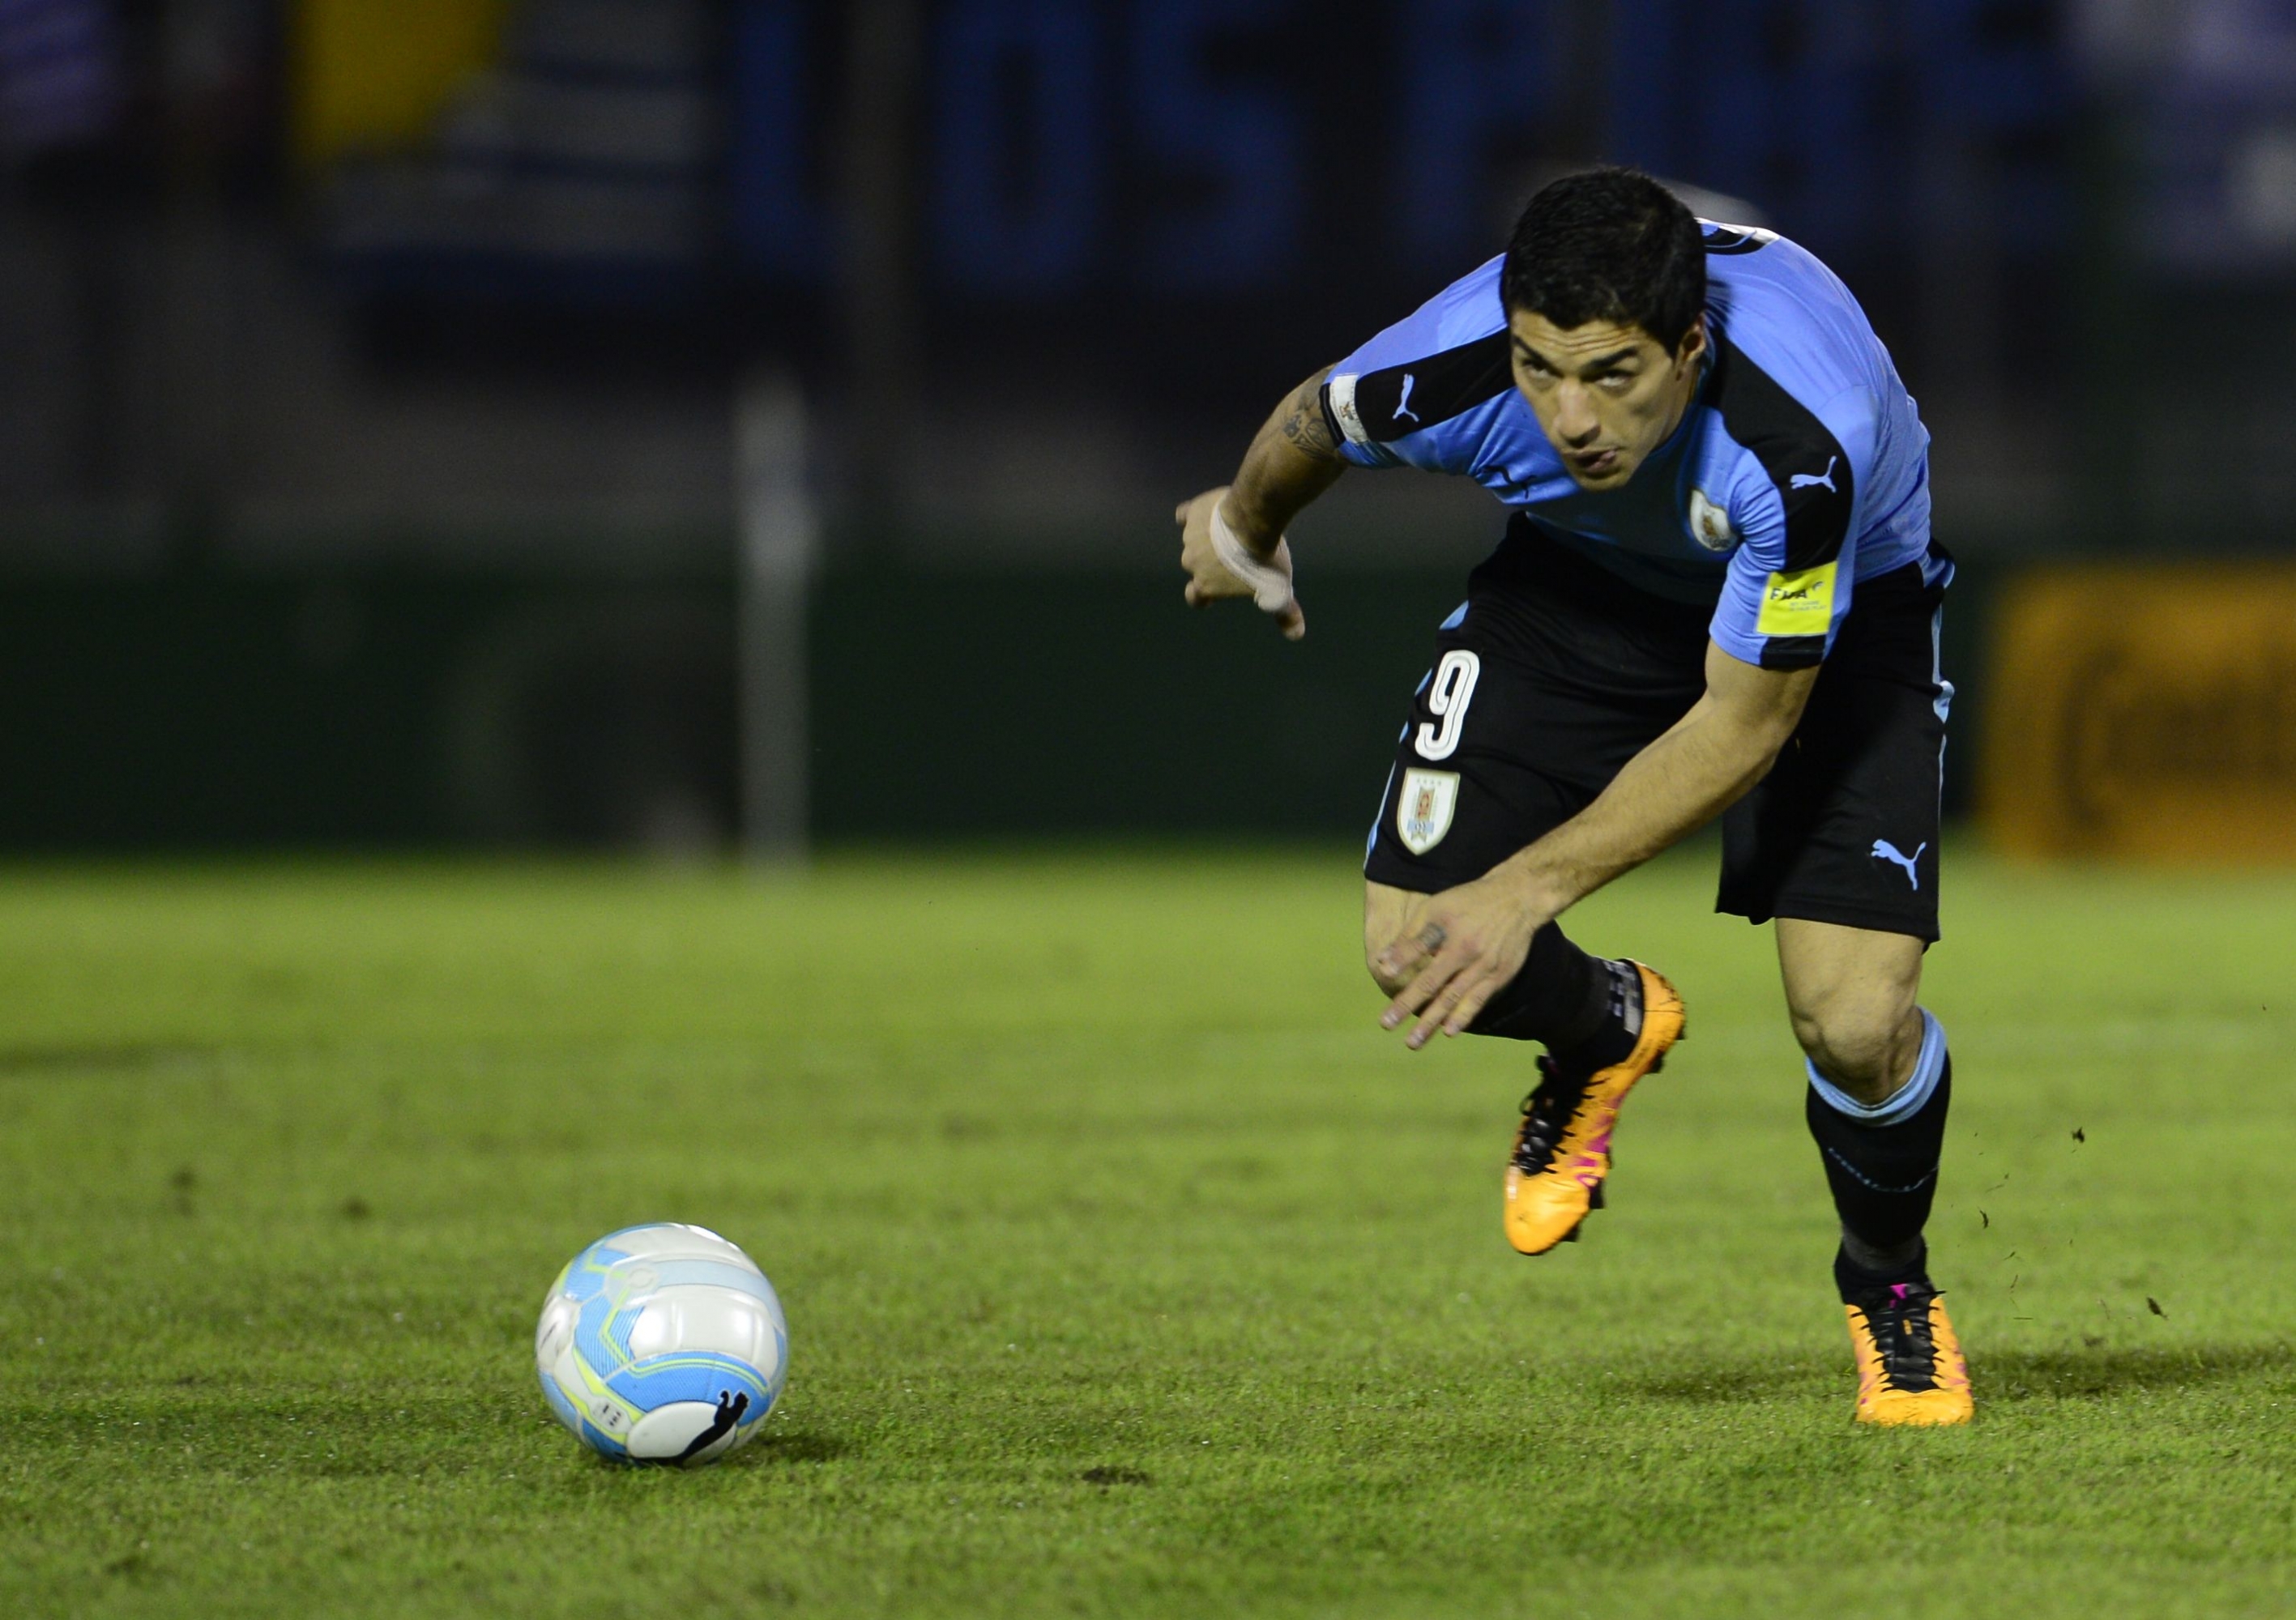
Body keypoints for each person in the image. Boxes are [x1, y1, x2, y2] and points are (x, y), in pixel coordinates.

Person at [1174, 168, 1970, 1426]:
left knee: (1854, 1028)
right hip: (1577, 592)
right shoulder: (1450, 369)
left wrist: (1523, 888)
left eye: (1610, 374)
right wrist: (1246, 533)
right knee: (1412, 946)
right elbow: (1308, 422)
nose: (1568, 415)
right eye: (1541, 368)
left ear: (1690, 346)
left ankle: (1888, 1289)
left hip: (1841, 616)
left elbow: (1742, 728)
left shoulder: (1794, 448)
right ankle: (1604, 1027)